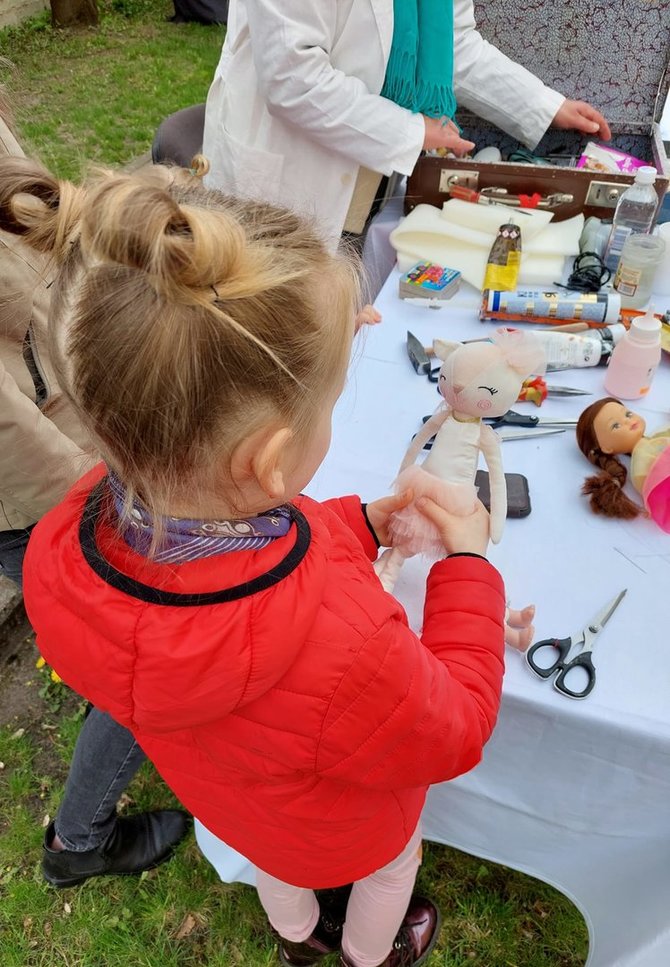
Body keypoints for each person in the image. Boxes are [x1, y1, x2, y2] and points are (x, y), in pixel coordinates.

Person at [0, 154, 506, 967]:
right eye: (330, 405)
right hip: (349, 834)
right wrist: (469, 569)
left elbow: (263, 556)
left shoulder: (67, 545)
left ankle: (298, 936)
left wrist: (362, 521)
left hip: (238, 814)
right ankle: (367, 955)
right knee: (390, 869)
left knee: (278, 867)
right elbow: (457, 728)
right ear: (268, 462)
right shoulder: (350, 644)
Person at [0, 94, 190, 887]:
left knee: (101, 631)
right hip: (26, 480)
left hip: (54, 420)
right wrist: (101, 503)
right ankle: (79, 841)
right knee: (143, 656)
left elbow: (36, 202)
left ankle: (90, 665)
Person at [202, 0, 610, 248]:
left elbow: (453, 42)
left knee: (343, 313)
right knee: (267, 333)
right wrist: (411, 132)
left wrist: (546, 106)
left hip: (367, 171)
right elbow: (292, 76)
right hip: (291, 162)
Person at [576, 397, 670, 531]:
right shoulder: (641, 461)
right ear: (606, 448)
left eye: (627, 414)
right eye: (615, 425)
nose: (627, 420)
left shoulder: (656, 437)